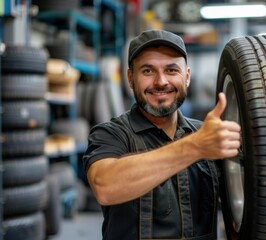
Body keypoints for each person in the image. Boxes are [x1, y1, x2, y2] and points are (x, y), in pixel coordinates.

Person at [83, 29, 241, 240]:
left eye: (171, 70)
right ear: (130, 78)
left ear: (187, 77)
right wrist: (195, 147)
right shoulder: (111, 133)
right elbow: (105, 186)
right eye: (148, 71)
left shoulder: (209, 136)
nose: (161, 82)